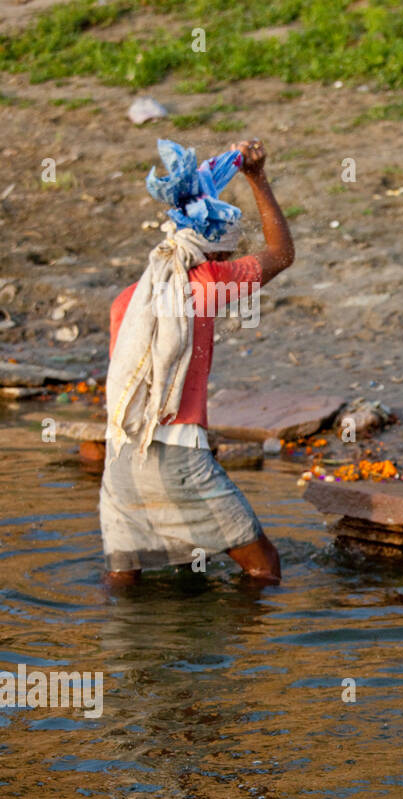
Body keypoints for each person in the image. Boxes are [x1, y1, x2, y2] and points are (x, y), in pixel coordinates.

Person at [100, 138, 294, 587]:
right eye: (228, 252)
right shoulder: (206, 285)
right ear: (218, 252)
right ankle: (236, 651)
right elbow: (282, 254)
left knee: (124, 582)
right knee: (264, 568)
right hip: (177, 458)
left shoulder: (129, 300)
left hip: (120, 458)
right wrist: (257, 178)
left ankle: (122, 651)